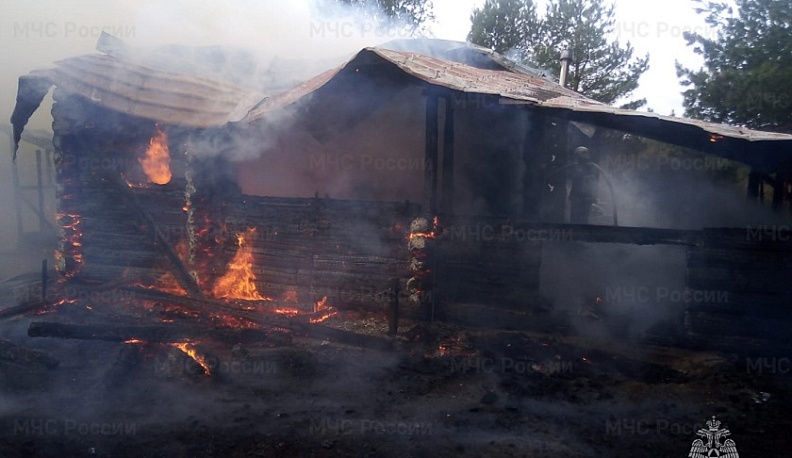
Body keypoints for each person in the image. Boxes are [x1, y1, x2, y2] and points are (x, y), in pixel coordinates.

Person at [568, 146, 598, 224]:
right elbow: (571, 176)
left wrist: (592, 197)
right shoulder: (576, 167)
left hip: (583, 199)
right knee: (576, 221)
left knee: (581, 221)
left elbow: (593, 183)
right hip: (578, 198)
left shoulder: (591, 168)